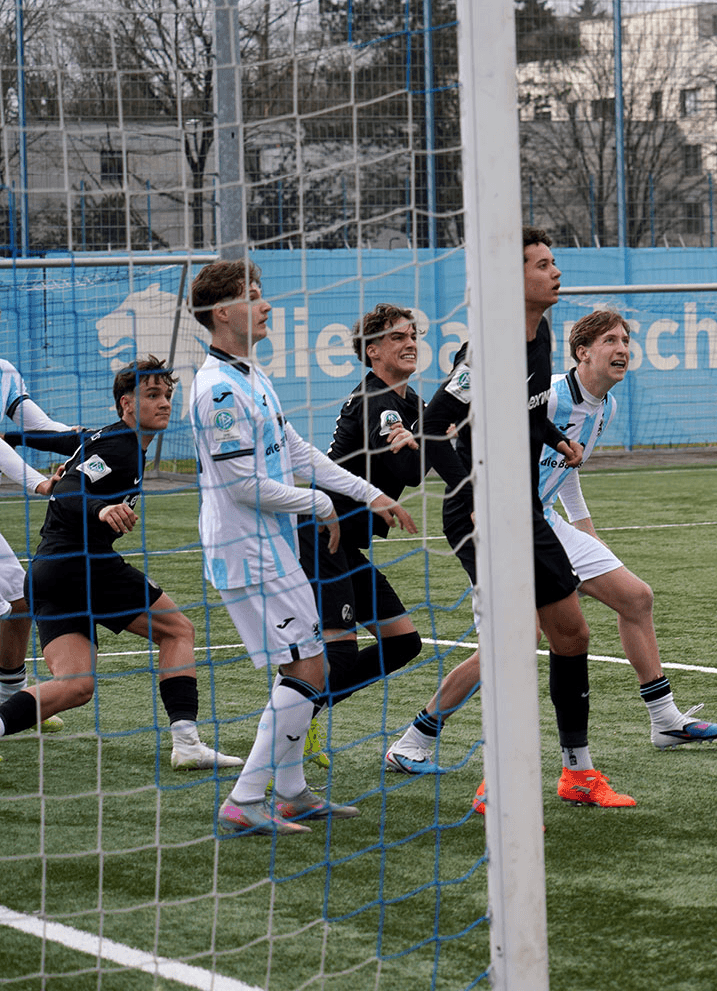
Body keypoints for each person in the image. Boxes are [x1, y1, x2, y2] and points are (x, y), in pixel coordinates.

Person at [383, 308, 717, 774]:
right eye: (610, 340)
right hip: (490, 518)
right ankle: (415, 738)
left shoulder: (606, 407)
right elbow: (467, 436)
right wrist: (474, 492)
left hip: (542, 520)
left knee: (636, 598)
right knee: (513, 643)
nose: (622, 349)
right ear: (582, 353)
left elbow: (564, 472)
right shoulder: (546, 394)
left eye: (626, 341)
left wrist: (585, 532)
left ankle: (665, 720)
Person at [399, 227, 636, 813]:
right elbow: (433, 427)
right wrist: (470, 487)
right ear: (513, 279)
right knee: (512, 641)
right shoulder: (488, 346)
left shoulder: (543, 333)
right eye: (541, 264)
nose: (555, 272)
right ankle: (494, 782)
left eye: (554, 262)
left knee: (572, 633)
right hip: (476, 511)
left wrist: (557, 437)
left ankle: (577, 774)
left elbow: (526, 409)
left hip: (523, 508)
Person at [187, 260, 418, 835]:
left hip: (274, 548)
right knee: (313, 668)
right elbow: (243, 484)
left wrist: (369, 497)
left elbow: (298, 453)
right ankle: (245, 800)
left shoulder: (252, 377)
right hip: (248, 552)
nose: (267, 306)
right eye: (254, 296)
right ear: (222, 313)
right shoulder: (217, 389)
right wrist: (319, 506)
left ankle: (290, 792)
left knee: (304, 666)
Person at [0, 357, 239, 770]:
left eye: (167, 395)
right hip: (84, 565)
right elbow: (68, 492)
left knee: (75, 685)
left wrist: (14, 435)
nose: (164, 403)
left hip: (48, 575)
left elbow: (62, 443)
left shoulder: (105, 438)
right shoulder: (121, 447)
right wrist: (100, 510)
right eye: (152, 395)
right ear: (127, 404)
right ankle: (186, 742)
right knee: (178, 630)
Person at [295, 303, 430, 768]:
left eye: (412, 335)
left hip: (342, 544)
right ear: (372, 352)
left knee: (403, 642)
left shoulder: (410, 401)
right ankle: (282, 739)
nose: (410, 342)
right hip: (318, 536)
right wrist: (441, 440)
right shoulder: (379, 401)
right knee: (340, 655)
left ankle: (304, 716)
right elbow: (407, 470)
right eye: (397, 337)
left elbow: (420, 460)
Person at [0, 357, 81, 734]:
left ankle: (8, 702)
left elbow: (42, 427)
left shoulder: (4, 371)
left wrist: (88, 441)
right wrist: (39, 482)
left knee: (19, 600)